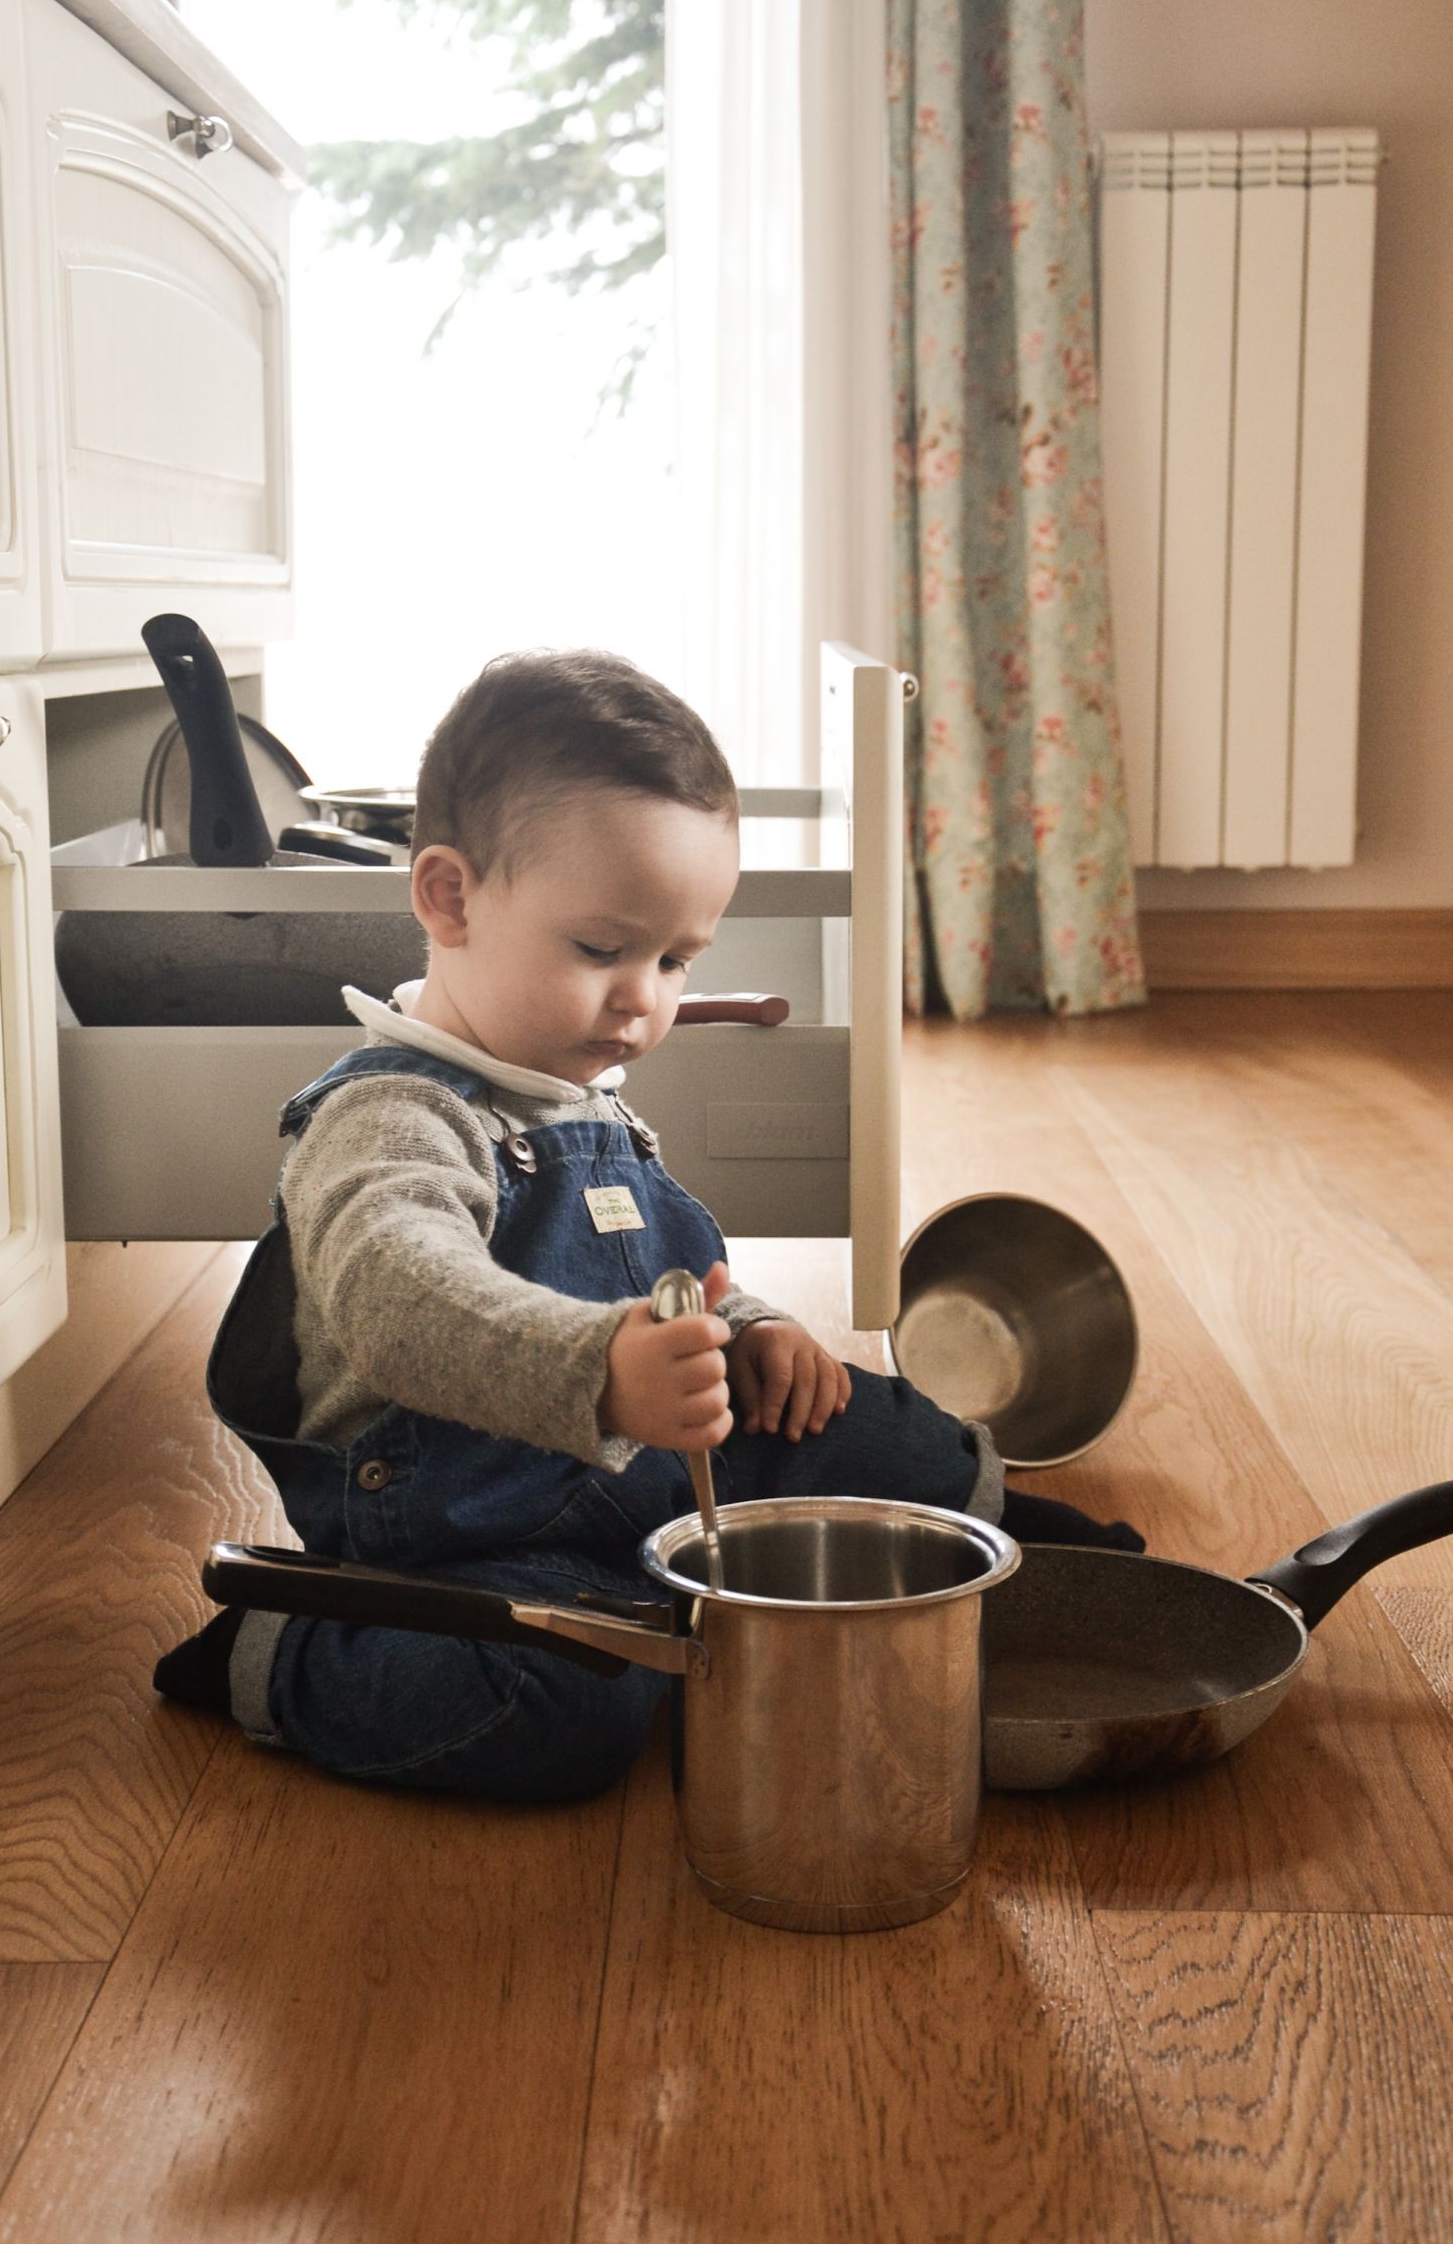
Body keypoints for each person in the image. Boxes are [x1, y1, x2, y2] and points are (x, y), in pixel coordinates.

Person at [155, 651, 1141, 1797]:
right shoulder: (391, 1117)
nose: (645, 999)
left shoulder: (578, 1082)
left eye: (677, 959)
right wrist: (599, 1373)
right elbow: (397, 1298)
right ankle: (288, 1652)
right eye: (602, 949)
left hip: (646, 1470)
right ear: (450, 897)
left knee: (872, 1426)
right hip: (470, 1530)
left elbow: (669, 1272)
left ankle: (1040, 1565)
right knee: (568, 1704)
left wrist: (754, 1328)